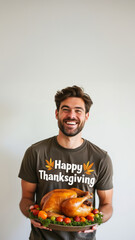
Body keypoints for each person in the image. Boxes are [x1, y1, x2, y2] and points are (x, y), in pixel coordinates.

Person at [18, 85, 113, 240]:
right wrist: (32, 214)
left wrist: (97, 220)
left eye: (78, 110)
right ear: (57, 114)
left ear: (86, 116)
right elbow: (26, 197)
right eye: (66, 109)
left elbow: (107, 204)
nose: (71, 115)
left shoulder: (100, 158)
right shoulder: (36, 152)